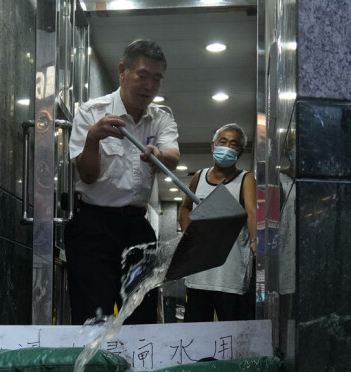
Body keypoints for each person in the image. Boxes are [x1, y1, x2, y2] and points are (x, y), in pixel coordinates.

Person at [65, 39, 180, 325]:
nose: (150, 86)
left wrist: (159, 155)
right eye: (142, 75)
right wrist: (92, 138)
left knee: (140, 314)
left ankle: (137, 369)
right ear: (122, 71)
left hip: (137, 228)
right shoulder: (91, 112)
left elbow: (173, 155)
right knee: (94, 316)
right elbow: (88, 176)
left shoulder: (160, 118)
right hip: (93, 224)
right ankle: (92, 369)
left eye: (157, 78)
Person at [179, 123, 257, 322]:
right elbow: (185, 207)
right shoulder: (199, 177)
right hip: (198, 275)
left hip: (229, 275)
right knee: (195, 336)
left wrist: (257, 240)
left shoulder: (245, 179)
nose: (227, 147)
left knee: (232, 335)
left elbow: (251, 211)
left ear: (239, 152)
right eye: (223, 142)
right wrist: (189, 236)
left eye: (233, 144)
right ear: (213, 146)